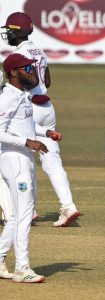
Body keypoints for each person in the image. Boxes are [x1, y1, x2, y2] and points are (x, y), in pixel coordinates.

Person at [2, 12, 80, 227]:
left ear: (17, 32)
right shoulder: (38, 49)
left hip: (28, 108)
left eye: (9, 30)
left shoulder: (21, 53)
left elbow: (30, 81)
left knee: (15, 155)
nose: (7, 34)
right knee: (52, 161)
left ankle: (21, 210)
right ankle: (68, 206)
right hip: (46, 107)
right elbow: (47, 79)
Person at [0, 53, 58, 282]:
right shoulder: (8, 97)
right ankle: (22, 269)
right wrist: (28, 142)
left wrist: (46, 133)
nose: (32, 71)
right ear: (13, 72)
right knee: (24, 215)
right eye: (27, 68)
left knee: (16, 216)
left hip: (22, 158)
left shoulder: (21, 95)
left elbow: (24, 125)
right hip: (15, 160)